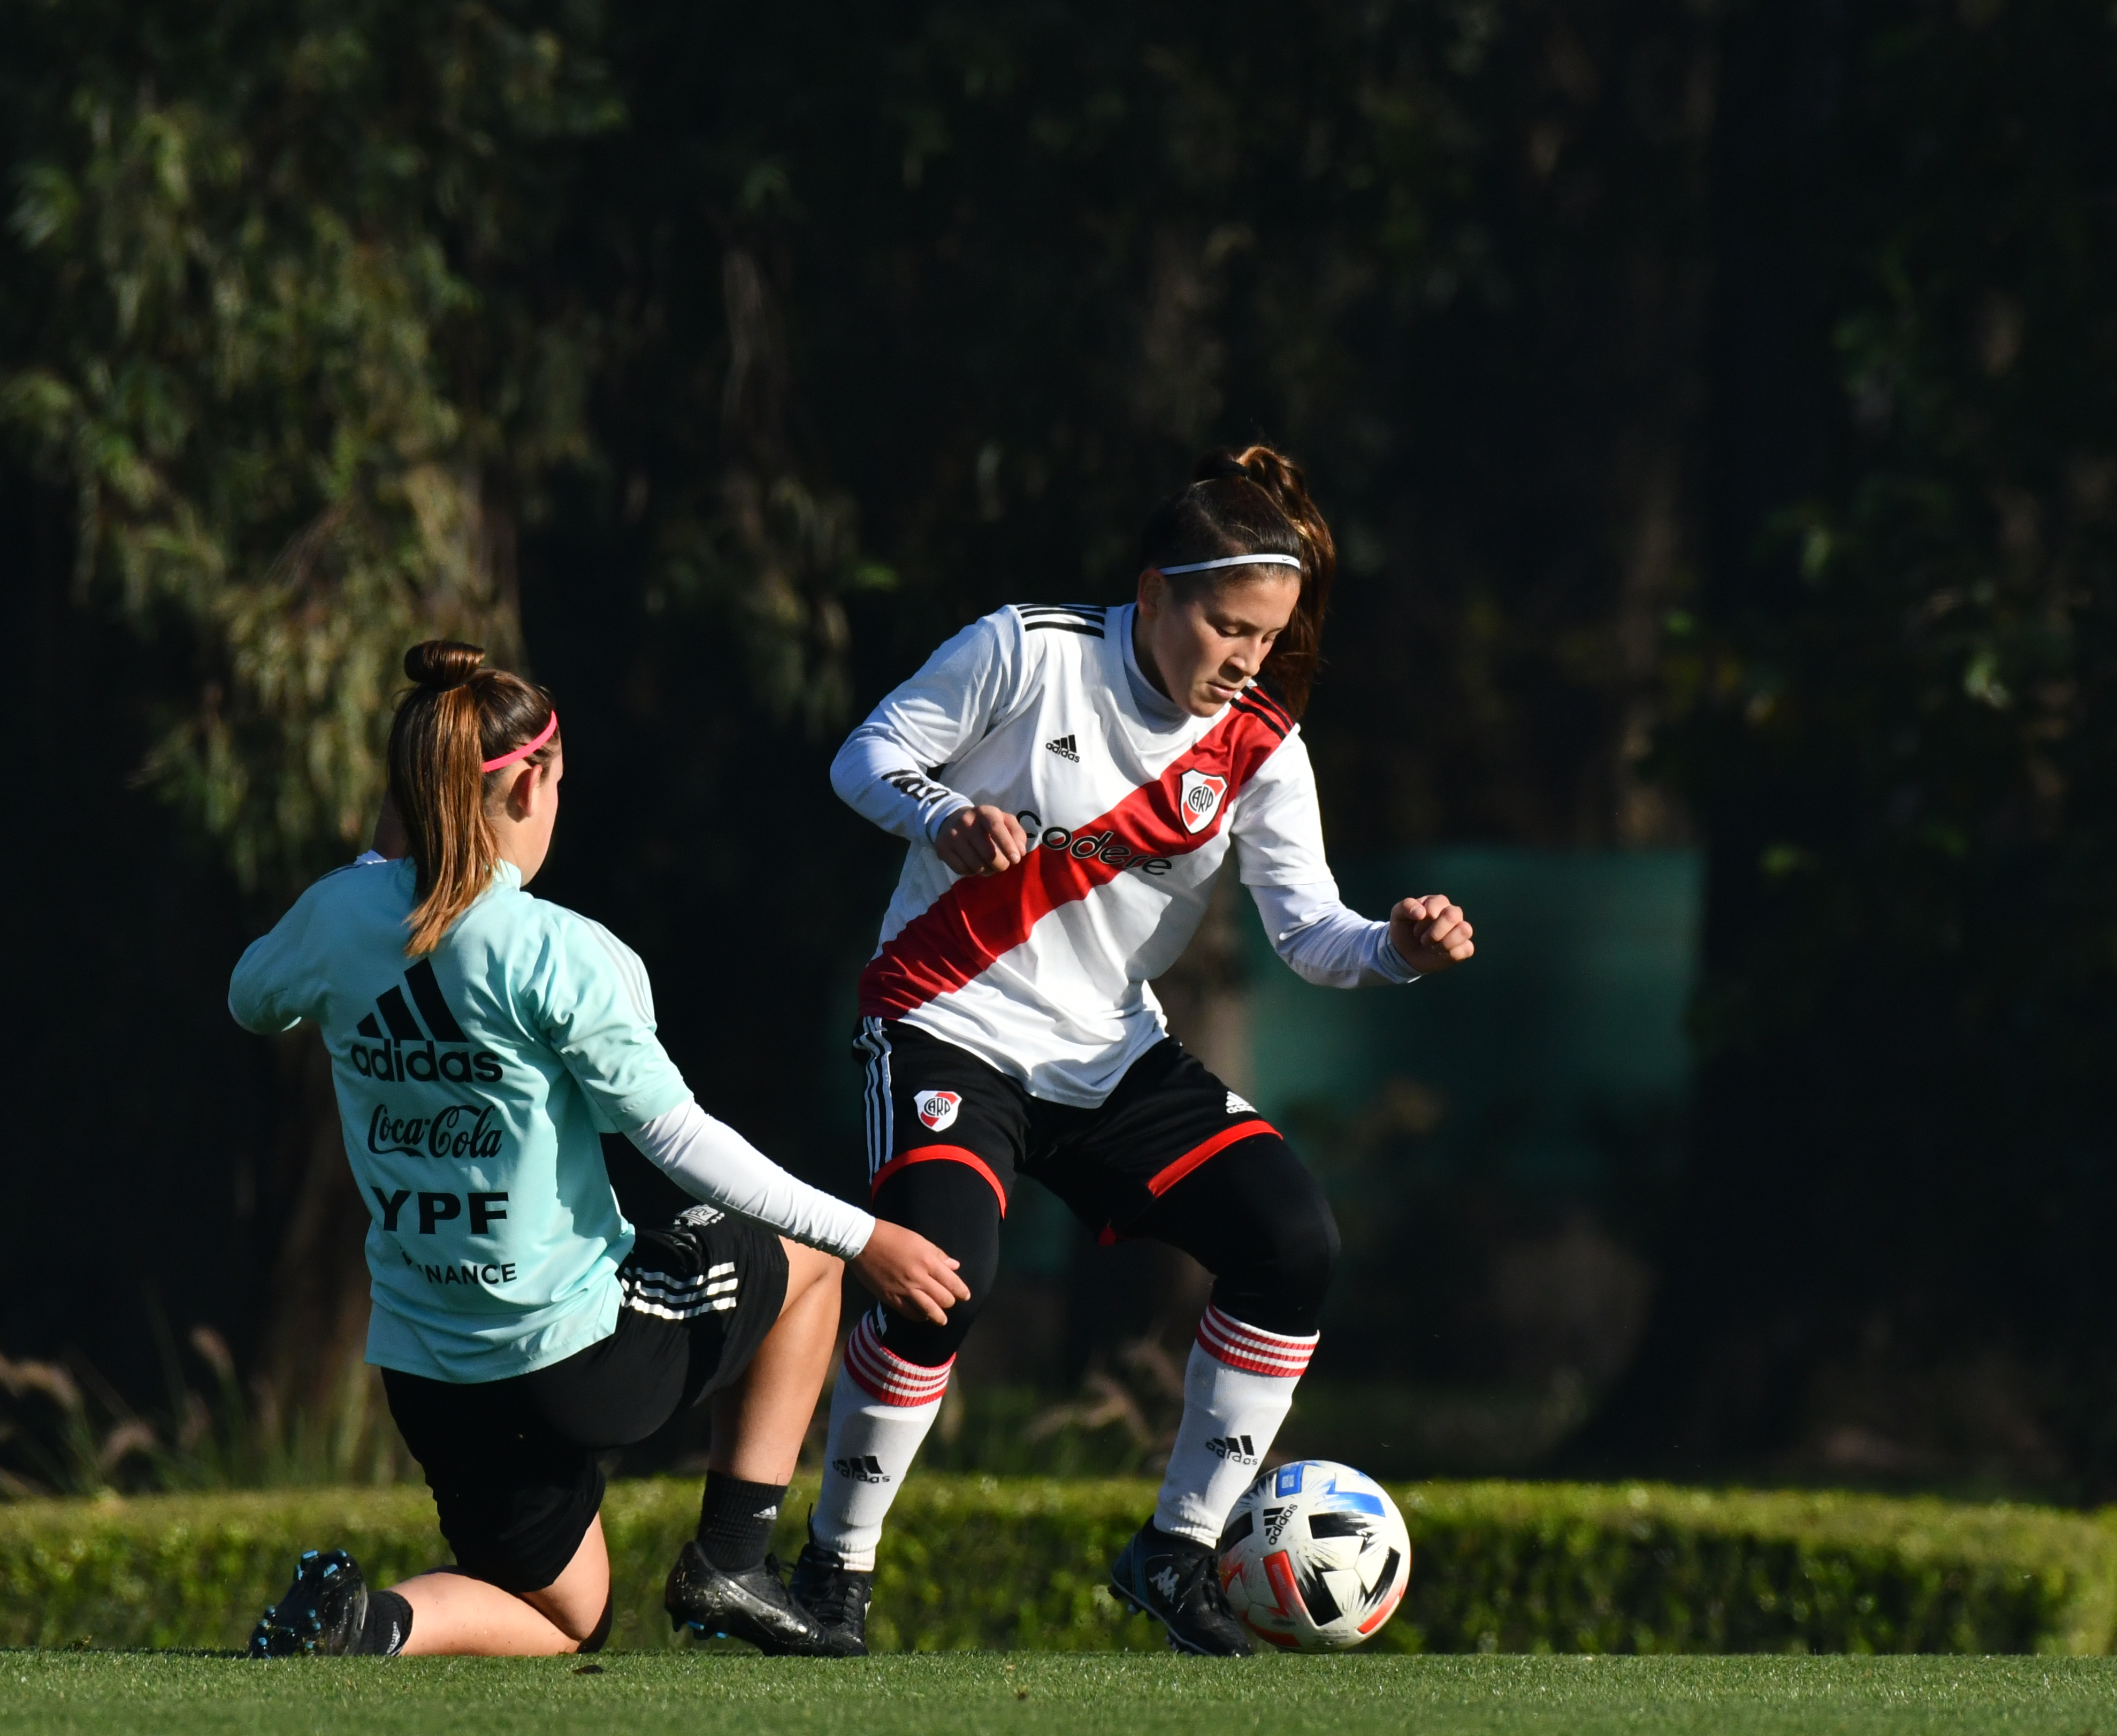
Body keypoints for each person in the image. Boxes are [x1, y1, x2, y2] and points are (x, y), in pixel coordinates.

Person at [788, 446, 1477, 1657]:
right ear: (1152, 594)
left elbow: (1312, 934)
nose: (1249, 659)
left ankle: (1175, 1551)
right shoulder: (1027, 649)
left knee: (1293, 1239)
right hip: (949, 1017)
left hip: (1108, 1053)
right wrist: (945, 813)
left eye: (1267, 636)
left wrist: (1397, 950)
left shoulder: (1261, 744)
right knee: (942, 1272)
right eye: (1227, 627)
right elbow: (865, 757)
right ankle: (833, 1575)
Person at [230, 641, 967, 1659]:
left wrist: (370, 868)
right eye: (559, 783)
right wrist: (867, 1235)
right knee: (807, 1266)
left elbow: (250, 998)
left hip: (428, 1364)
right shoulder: (560, 951)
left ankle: (368, 1623)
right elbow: (683, 1146)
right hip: (570, 1353)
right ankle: (733, 1563)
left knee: (565, 1617)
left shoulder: (338, 914)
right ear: (530, 782)